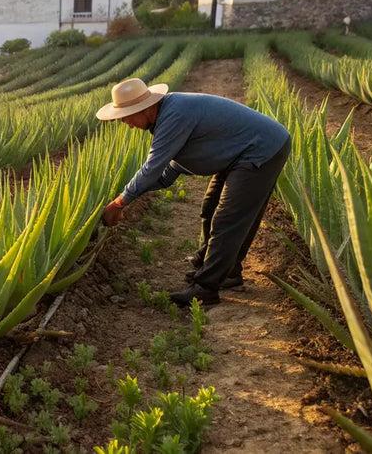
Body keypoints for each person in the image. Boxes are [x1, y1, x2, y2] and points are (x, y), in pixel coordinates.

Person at [95, 78, 291, 307]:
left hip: (260, 150)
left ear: (146, 108)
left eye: (127, 116)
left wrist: (120, 202)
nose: (126, 123)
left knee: (229, 219)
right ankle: (227, 272)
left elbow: (152, 168)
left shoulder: (173, 114)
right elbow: (166, 174)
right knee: (210, 207)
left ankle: (206, 288)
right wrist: (131, 196)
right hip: (237, 154)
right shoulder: (166, 114)